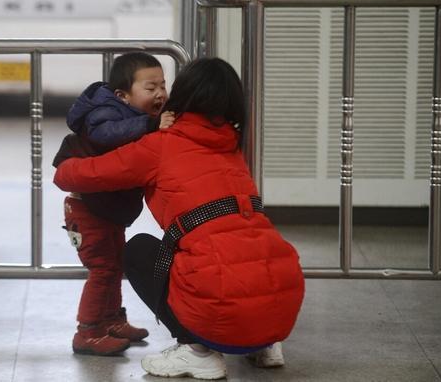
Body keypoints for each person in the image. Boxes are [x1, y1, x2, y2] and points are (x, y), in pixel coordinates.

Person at [54, 57, 305, 379]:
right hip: (278, 316)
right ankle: (262, 345)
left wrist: (68, 159)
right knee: (238, 244)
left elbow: (73, 177)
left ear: (182, 94)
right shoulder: (232, 147)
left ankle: (196, 350)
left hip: (222, 312)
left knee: (141, 249)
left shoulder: (161, 145)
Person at [52, 52, 175, 356]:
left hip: (105, 209)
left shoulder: (132, 113)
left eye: (163, 85)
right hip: (87, 209)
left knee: (114, 265)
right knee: (102, 268)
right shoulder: (104, 113)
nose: (159, 93)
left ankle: (112, 320)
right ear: (123, 95)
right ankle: (88, 331)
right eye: (150, 88)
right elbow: (107, 135)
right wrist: (151, 124)